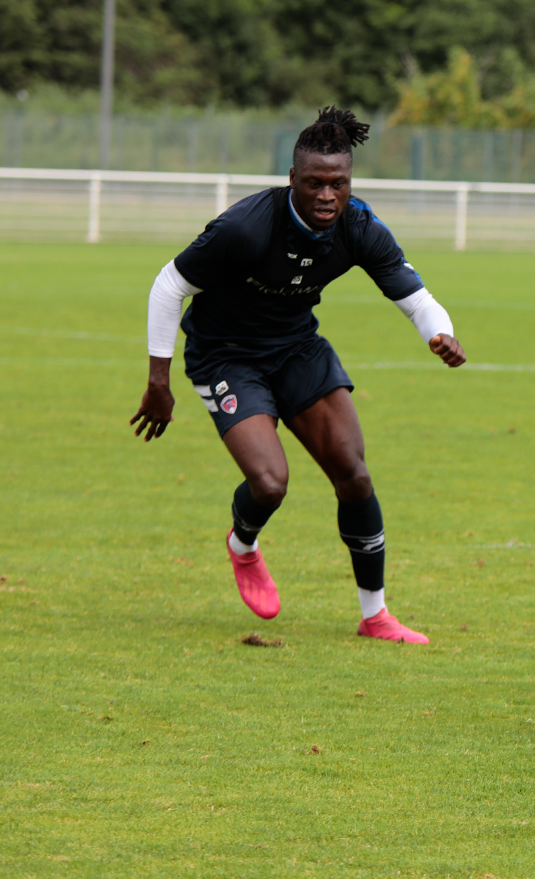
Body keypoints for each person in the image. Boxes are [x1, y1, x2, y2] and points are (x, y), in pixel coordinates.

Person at [131, 107, 464, 642]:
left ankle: (375, 615)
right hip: (226, 356)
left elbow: (417, 299)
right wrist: (158, 382)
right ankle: (243, 545)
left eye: (338, 183)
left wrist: (439, 334)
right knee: (270, 483)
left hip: (296, 349)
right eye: (314, 183)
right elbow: (170, 286)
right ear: (293, 179)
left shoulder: (358, 227)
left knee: (353, 474)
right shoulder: (245, 227)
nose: (327, 195)